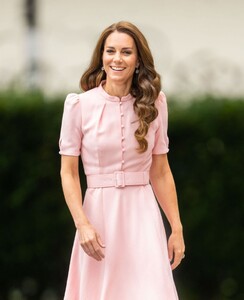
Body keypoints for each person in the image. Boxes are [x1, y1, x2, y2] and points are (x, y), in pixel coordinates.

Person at [59, 21, 185, 300]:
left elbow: (161, 172)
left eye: (126, 52)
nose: (117, 58)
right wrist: (82, 224)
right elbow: (68, 173)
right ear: (101, 57)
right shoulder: (79, 106)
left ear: (138, 60)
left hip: (143, 216)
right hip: (98, 217)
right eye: (110, 51)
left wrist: (176, 228)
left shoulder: (156, 104)